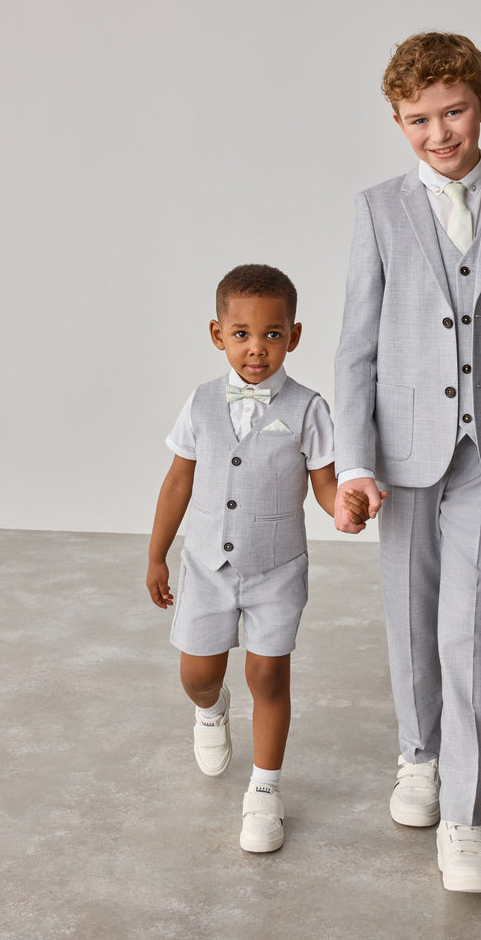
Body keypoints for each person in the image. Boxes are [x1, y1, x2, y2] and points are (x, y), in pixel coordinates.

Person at [333, 32, 481, 892]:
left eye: (455, 111)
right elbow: (356, 349)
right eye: (419, 120)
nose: (440, 133)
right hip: (399, 459)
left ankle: (466, 819)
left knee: (469, 629)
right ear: (399, 122)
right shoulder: (378, 209)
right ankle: (420, 756)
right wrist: (354, 462)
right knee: (410, 616)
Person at [147, 263, 368, 853]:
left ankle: (265, 789)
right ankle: (210, 709)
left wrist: (344, 508)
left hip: (277, 568)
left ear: (293, 336)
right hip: (205, 567)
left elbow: (325, 484)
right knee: (198, 675)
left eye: (272, 334)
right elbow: (177, 482)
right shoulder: (200, 403)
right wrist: (156, 556)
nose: (256, 348)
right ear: (217, 334)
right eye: (241, 334)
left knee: (268, 674)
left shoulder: (309, 408)